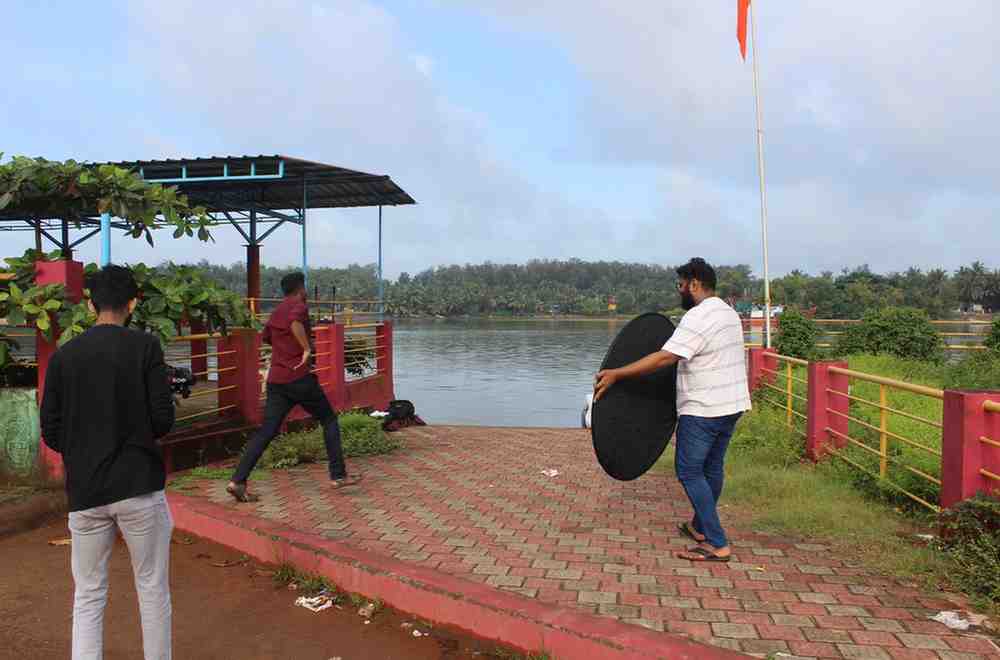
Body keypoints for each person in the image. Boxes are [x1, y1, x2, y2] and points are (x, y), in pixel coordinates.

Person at [40, 264, 176, 659]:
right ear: (132, 304)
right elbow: (162, 420)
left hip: (86, 491)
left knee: (88, 592)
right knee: (151, 588)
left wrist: (83, 452)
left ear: (90, 304)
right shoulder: (146, 347)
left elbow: (50, 428)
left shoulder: (65, 356)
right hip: (138, 487)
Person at [594, 258, 751, 562]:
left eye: (680, 285)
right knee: (712, 467)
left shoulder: (698, 316)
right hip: (732, 404)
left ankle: (717, 543)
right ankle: (700, 527)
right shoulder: (728, 313)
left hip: (704, 408)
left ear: (694, 284)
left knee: (689, 471)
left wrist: (617, 374)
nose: (679, 290)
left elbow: (666, 357)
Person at [227, 272, 359, 501]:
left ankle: (237, 481)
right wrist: (306, 348)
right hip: (298, 377)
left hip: (277, 380)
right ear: (300, 288)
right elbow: (295, 322)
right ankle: (338, 475)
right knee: (328, 419)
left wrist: (286, 346)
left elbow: (268, 337)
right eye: (304, 288)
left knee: (267, 431)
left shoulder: (276, 311)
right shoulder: (298, 306)